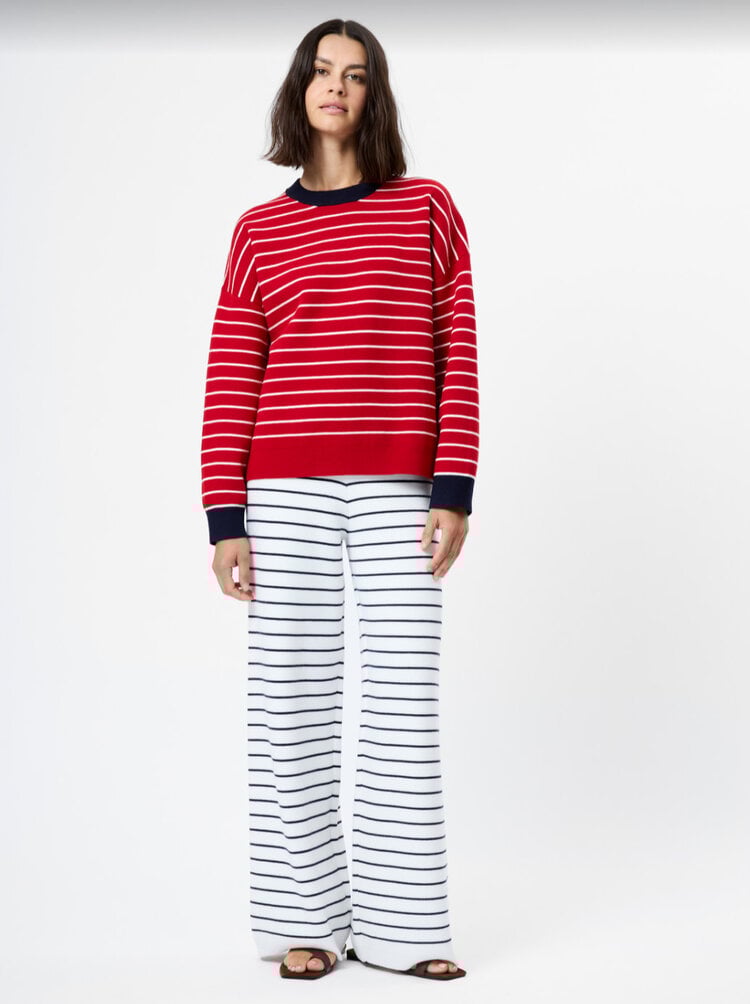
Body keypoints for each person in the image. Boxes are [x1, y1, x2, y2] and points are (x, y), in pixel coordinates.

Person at [199, 18, 478, 982]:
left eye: (355, 75)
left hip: (403, 487)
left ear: (374, 95)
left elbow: (457, 351)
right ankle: (305, 921)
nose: (336, 87)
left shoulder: (427, 209)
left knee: (403, 702)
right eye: (322, 71)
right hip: (281, 490)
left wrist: (454, 488)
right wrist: (225, 517)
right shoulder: (258, 231)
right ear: (300, 88)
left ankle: (406, 929)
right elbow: (232, 374)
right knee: (289, 700)